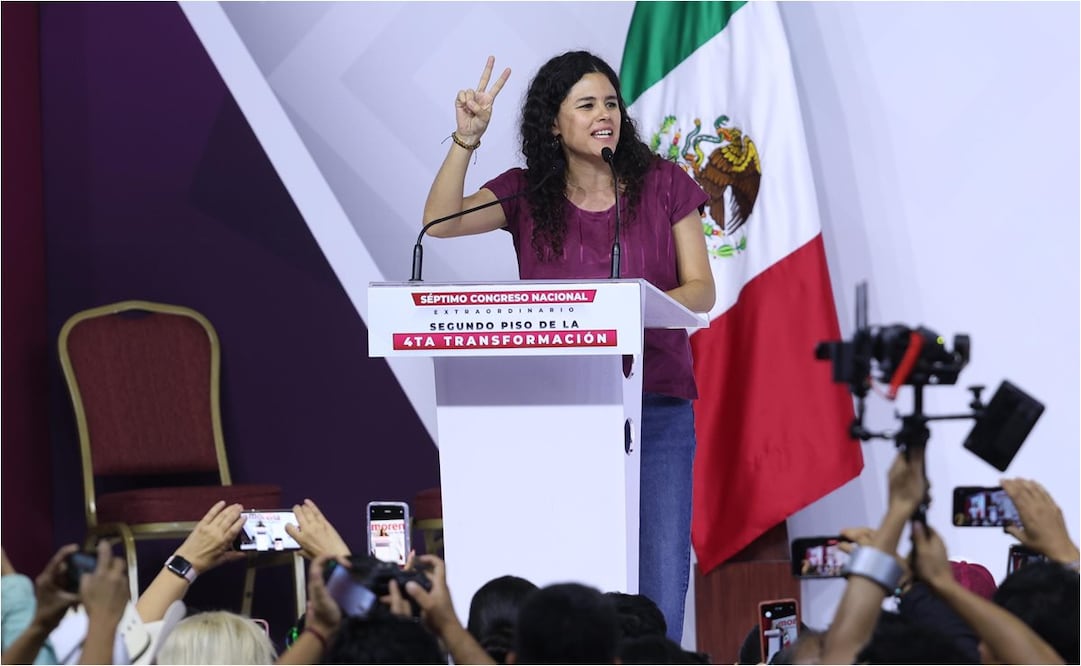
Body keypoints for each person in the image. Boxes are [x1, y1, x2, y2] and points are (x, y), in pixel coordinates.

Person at [423, 51, 715, 643]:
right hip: (558, 415)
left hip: (655, 406)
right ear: (552, 123)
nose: (604, 114)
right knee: (567, 570)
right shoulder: (529, 192)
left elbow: (701, 289)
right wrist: (465, 139)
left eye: (610, 103)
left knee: (658, 576)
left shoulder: (664, 183)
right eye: (586, 105)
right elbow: (440, 223)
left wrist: (628, 308)